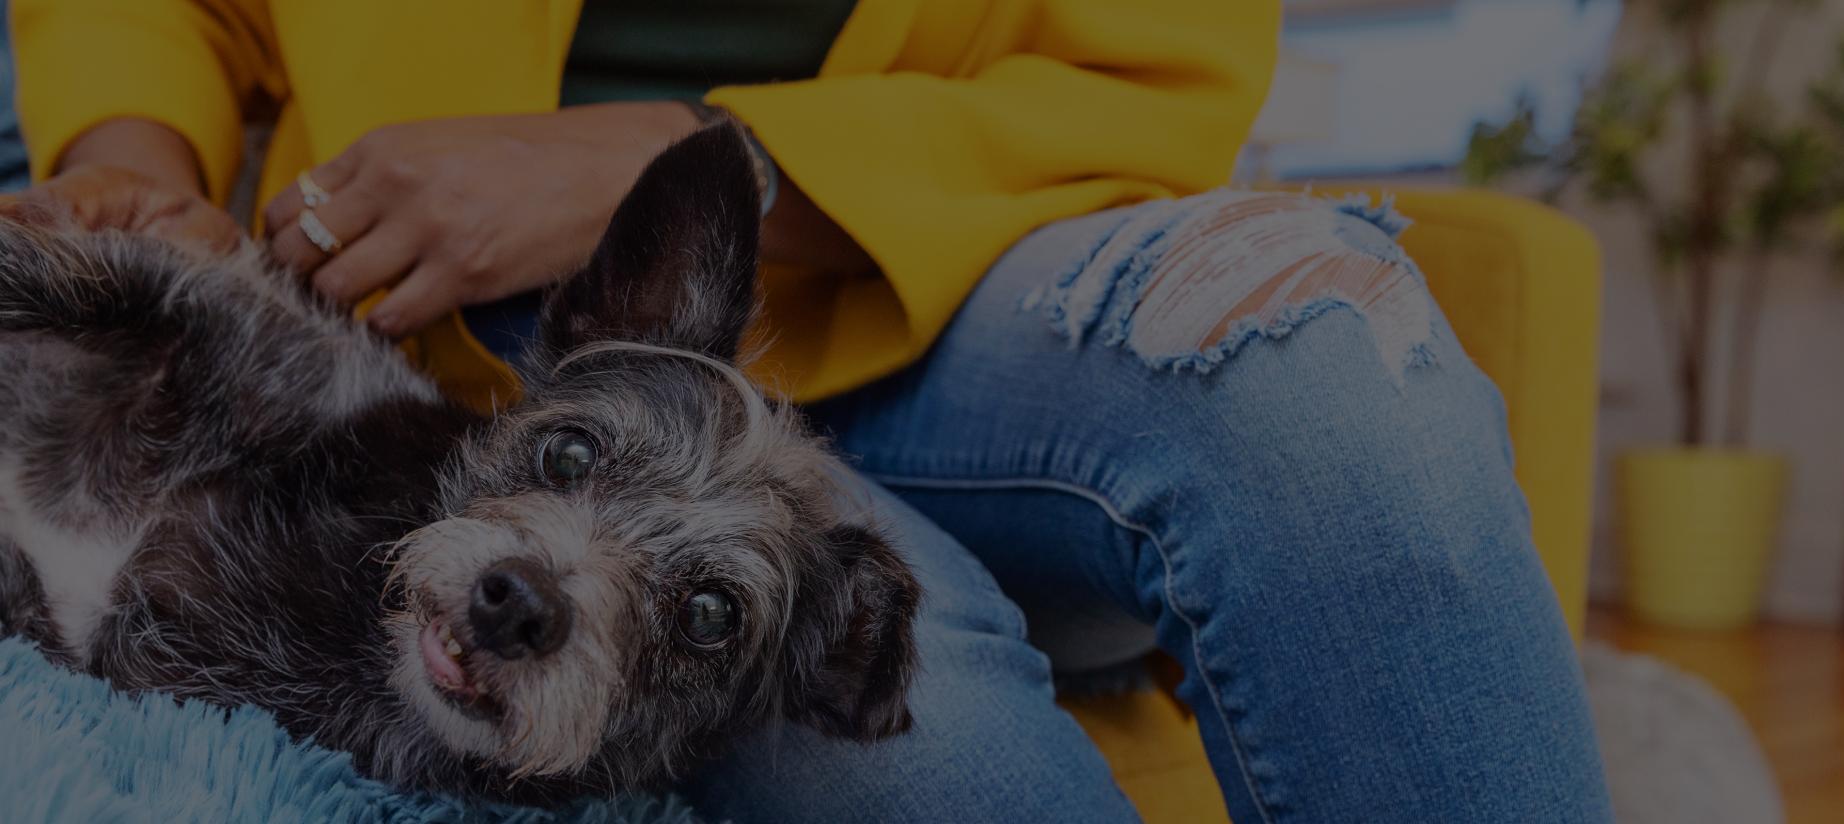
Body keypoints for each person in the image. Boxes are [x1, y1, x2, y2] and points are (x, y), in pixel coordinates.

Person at [5, 1, 1613, 821]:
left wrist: (641, 155)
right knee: (916, 753)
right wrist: (139, 175)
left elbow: (1152, 75)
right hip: (536, 370)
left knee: (1330, 384)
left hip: (987, 276)